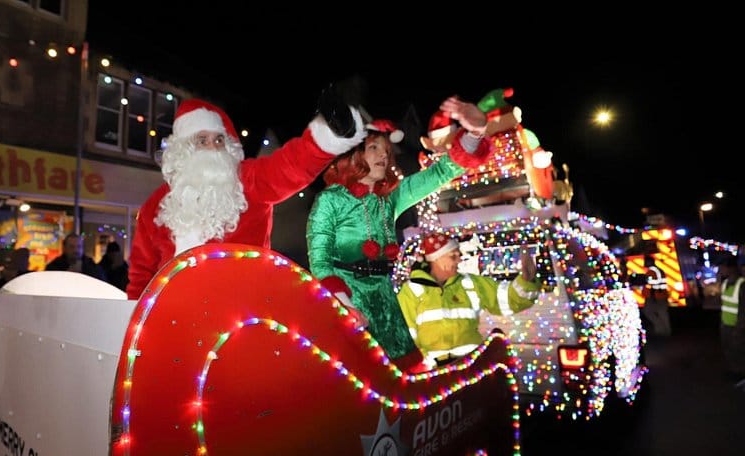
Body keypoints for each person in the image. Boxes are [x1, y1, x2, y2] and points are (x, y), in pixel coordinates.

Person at [126, 85, 367, 300]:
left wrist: (329, 136)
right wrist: (132, 324)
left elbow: (290, 166)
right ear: (184, 149)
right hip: (174, 318)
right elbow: (141, 277)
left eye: (219, 140)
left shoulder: (248, 181)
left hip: (244, 314)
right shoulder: (156, 205)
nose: (212, 147)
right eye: (202, 140)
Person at [306, 96, 491, 360]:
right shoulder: (330, 200)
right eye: (374, 148)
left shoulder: (390, 197)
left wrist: (475, 132)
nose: (384, 154)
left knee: (404, 372)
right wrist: (344, 306)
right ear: (354, 154)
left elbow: (440, 173)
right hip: (348, 302)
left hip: (385, 297)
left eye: (386, 150)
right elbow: (320, 262)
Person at [397, 234, 540, 370]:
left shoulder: (471, 283)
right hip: (435, 375)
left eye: (458, 255)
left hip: (472, 367)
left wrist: (527, 281)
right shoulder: (411, 290)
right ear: (436, 259)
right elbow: (404, 338)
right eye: (453, 256)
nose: (459, 260)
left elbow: (508, 299)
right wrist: (423, 368)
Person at [718, 255, 745, 385]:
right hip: (726, 325)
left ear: (731, 268)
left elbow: (743, 310)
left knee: (739, 351)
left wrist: (739, 328)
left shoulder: (742, 285)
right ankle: (734, 371)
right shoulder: (725, 283)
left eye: (722, 267)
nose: (720, 270)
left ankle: (741, 374)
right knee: (728, 349)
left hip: (737, 327)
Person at [641, 255, 671, 336]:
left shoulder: (651, 271)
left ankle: (661, 330)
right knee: (662, 313)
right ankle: (665, 331)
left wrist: (642, 282)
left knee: (649, 312)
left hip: (654, 296)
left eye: (646, 261)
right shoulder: (659, 270)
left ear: (649, 262)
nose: (644, 263)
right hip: (660, 295)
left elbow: (650, 283)